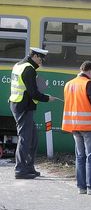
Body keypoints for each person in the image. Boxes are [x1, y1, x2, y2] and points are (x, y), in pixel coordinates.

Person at [8, 47, 56, 179]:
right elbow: (33, 93)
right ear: (34, 56)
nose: (41, 62)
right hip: (23, 106)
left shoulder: (19, 65)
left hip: (20, 104)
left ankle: (29, 167)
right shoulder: (28, 69)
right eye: (40, 59)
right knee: (25, 138)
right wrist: (47, 98)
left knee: (33, 137)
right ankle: (20, 170)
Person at [62, 61, 91, 195]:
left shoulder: (69, 84)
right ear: (90, 71)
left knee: (80, 156)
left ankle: (81, 187)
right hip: (89, 125)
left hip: (74, 126)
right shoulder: (89, 84)